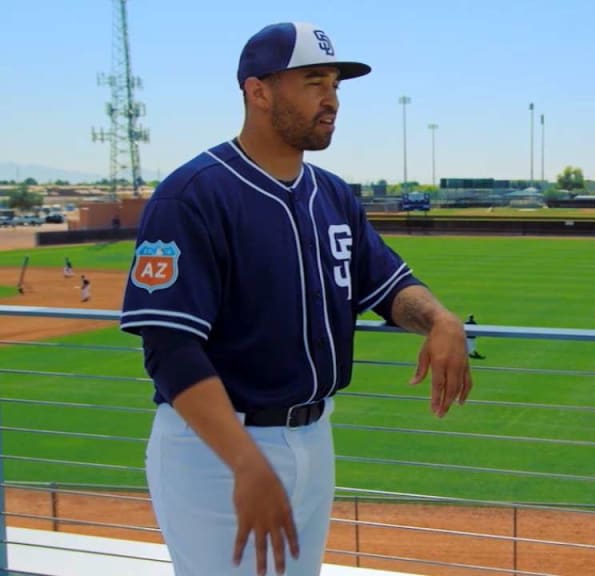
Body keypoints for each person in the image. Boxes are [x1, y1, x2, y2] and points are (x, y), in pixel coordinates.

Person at [119, 22, 473, 576]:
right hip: (218, 450)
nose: (331, 100)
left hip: (314, 439)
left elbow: (388, 285)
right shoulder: (192, 195)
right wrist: (245, 463)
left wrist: (440, 318)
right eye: (313, 82)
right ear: (258, 92)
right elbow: (168, 348)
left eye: (335, 84)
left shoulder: (331, 194)